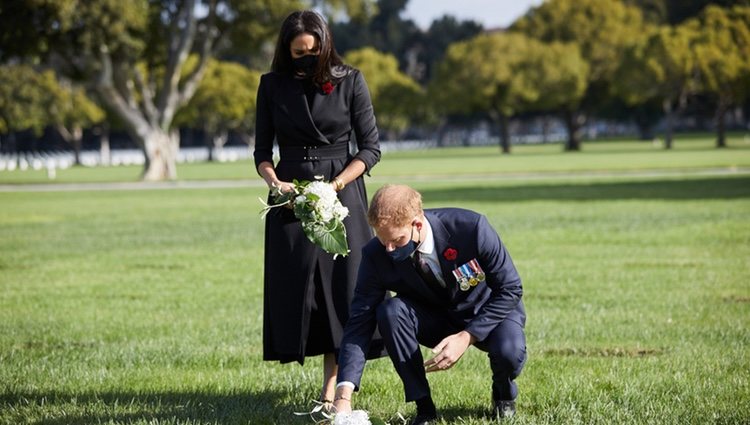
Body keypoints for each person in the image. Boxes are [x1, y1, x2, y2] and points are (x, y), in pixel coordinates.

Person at [253, 10, 385, 405]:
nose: (307, 57)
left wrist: (338, 184)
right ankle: (314, 363)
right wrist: (275, 182)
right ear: (286, 51)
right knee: (299, 288)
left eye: (313, 50)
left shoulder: (351, 81)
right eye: (298, 52)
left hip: (341, 189)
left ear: (325, 46)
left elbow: (370, 148)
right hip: (291, 192)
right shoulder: (271, 86)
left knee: (340, 289)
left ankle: (335, 385)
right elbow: (262, 151)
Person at [333, 185, 527, 424]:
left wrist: (467, 336)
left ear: (417, 223)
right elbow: (360, 320)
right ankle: (424, 407)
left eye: (396, 240)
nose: (389, 249)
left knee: (510, 353)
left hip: (487, 310)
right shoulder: (376, 255)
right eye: (383, 241)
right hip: (434, 318)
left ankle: (503, 395)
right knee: (390, 311)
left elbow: (510, 289)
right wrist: (343, 394)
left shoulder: (471, 228)